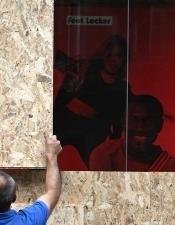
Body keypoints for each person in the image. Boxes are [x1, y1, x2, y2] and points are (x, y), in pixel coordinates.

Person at [53, 34, 131, 165]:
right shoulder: (86, 71)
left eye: (118, 56)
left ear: (123, 59)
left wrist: (113, 144)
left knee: (93, 167)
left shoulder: (122, 87)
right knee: (47, 159)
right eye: (109, 55)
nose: (113, 60)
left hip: (92, 132)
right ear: (103, 56)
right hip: (66, 122)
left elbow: (119, 118)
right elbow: (63, 95)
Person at [88, 94, 175, 172]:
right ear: (123, 123)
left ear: (160, 125)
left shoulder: (169, 167)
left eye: (149, 122)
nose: (140, 128)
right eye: (132, 120)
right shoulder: (104, 154)